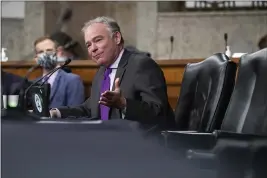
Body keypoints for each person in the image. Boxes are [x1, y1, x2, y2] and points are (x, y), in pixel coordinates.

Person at [50, 16, 175, 129]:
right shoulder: (101, 72)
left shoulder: (141, 65)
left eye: (98, 40)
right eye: (88, 45)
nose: (93, 48)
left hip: (141, 145)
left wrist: (124, 104)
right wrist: (56, 112)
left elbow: (158, 112)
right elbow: (90, 109)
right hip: (107, 142)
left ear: (116, 38)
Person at [33, 36, 85, 108]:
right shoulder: (33, 84)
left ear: (58, 53)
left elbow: (76, 113)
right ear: (36, 58)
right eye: (41, 52)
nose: (45, 54)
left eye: (49, 50)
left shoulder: (72, 80)